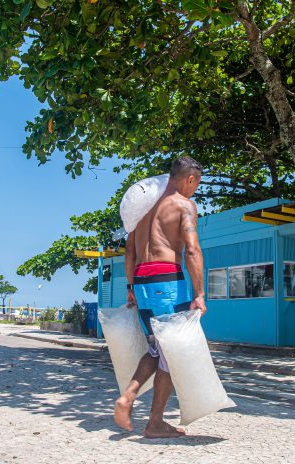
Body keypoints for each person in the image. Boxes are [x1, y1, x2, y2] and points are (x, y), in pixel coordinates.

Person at [113, 156, 206, 439]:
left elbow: (129, 251)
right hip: (167, 282)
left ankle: (128, 396)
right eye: (196, 184)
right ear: (189, 179)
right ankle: (155, 422)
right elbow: (191, 251)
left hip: (141, 282)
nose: (195, 191)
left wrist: (130, 286)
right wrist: (200, 292)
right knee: (171, 354)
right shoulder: (183, 205)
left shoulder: (142, 210)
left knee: (156, 348)